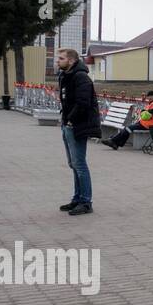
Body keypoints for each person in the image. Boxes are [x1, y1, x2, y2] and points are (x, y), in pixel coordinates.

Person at [56, 48, 99, 215]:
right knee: (73, 164)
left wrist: (70, 120)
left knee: (79, 164)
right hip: (68, 124)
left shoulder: (81, 77)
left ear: (71, 61)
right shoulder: (65, 76)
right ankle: (77, 199)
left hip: (77, 125)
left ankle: (86, 202)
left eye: (61, 58)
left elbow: (83, 103)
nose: (57, 61)